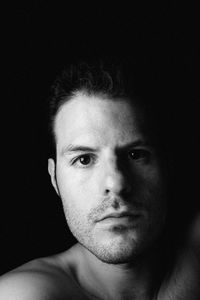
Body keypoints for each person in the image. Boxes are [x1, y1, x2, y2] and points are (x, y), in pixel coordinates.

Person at [0, 58, 199, 299]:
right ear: (55, 180)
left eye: (136, 155)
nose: (116, 184)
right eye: (84, 159)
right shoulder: (23, 293)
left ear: (167, 167)